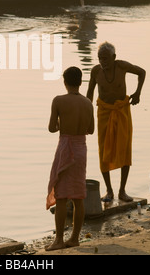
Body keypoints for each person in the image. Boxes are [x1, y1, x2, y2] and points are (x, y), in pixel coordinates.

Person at [87, 42, 146, 202]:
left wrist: (138, 92)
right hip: (104, 112)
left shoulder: (121, 66)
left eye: (105, 59)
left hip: (122, 111)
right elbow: (90, 93)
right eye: (100, 58)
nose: (102, 62)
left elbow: (142, 72)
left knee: (125, 148)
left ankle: (122, 191)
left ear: (114, 57)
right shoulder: (96, 71)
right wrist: (86, 115)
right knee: (103, 150)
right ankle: (109, 191)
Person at [45, 67, 94, 251]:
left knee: (62, 195)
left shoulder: (58, 101)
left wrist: (60, 123)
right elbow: (91, 129)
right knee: (78, 197)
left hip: (66, 147)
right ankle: (74, 238)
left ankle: (58, 239)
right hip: (81, 148)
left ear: (64, 82)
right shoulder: (88, 103)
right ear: (81, 82)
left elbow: (51, 128)